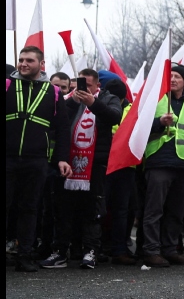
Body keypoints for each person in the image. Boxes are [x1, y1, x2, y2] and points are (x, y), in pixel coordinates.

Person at [41, 68, 123, 269]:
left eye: (86, 85)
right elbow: (54, 123)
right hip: (67, 161)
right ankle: (60, 251)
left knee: (92, 209)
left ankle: (91, 251)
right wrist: (73, 102)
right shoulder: (67, 99)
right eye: (79, 84)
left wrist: (92, 104)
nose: (82, 88)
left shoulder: (107, 98)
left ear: (97, 86)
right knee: (63, 208)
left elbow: (114, 117)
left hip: (95, 162)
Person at [6, 47, 71, 272]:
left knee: (30, 208)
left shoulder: (53, 93)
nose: (23, 64)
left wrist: (62, 158)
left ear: (41, 64)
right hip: (8, 157)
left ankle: (24, 255)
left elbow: (62, 128)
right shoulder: (7, 85)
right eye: (21, 60)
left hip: (36, 160)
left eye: (29, 60)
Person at [140, 64, 184, 267]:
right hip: (159, 161)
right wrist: (159, 122)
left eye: (177, 76)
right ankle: (151, 250)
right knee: (154, 210)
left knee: (177, 211)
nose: (173, 79)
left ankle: (170, 250)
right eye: (170, 76)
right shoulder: (156, 99)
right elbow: (139, 126)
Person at [102, 79, 138, 265]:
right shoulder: (101, 105)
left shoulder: (133, 110)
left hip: (125, 166)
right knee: (101, 208)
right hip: (105, 164)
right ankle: (98, 247)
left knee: (122, 210)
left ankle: (119, 248)